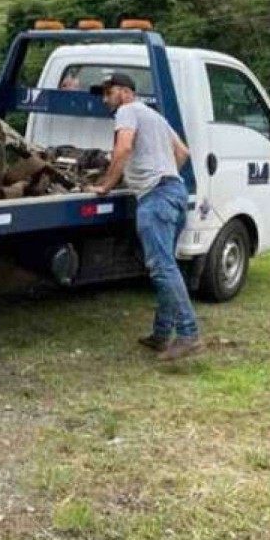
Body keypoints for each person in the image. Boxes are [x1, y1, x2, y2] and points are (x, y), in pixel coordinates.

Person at [89, 73, 201, 360]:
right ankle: (162, 334)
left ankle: (188, 334)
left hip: (156, 198)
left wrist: (106, 184)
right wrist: (163, 172)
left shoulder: (127, 111)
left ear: (125, 92)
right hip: (175, 191)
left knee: (162, 267)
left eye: (108, 93)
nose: (105, 99)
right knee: (168, 265)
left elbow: (124, 148)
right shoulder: (155, 117)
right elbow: (183, 152)